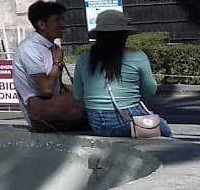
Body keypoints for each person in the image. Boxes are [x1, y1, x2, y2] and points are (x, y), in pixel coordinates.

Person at [72, 10, 171, 138]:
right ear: (124, 35)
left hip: (96, 122)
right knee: (164, 128)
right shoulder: (137, 56)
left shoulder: (84, 58)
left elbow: (78, 94)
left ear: (98, 36)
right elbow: (150, 91)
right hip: (125, 118)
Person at [12, 1, 87, 133]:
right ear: (41, 24)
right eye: (57, 20)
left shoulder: (52, 48)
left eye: (62, 19)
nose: (63, 24)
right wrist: (57, 62)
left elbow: (57, 86)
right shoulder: (30, 49)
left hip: (52, 106)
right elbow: (46, 89)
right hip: (40, 112)